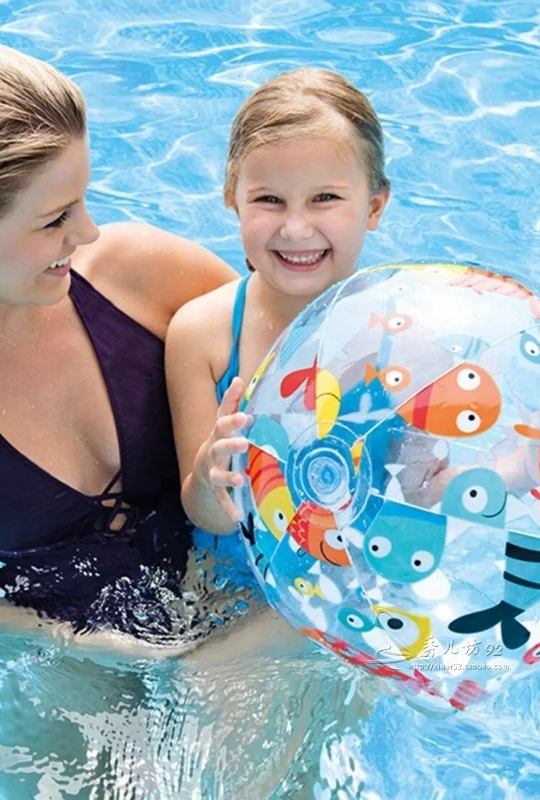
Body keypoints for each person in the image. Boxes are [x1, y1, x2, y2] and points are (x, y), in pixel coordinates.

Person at [0, 38, 238, 658]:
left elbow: (310, 369)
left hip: (240, 600)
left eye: (82, 198)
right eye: (54, 219)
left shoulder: (145, 275)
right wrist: (80, 643)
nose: (89, 232)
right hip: (68, 665)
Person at [166, 67, 390, 534]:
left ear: (374, 207)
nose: (295, 229)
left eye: (324, 198)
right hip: (234, 580)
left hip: (351, 577)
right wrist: (212, 475)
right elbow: (211, 522)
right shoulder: (204, 335)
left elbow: (428, 489)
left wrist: (520, 471)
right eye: (269, 200)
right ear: (233, 201)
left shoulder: (402, 329)